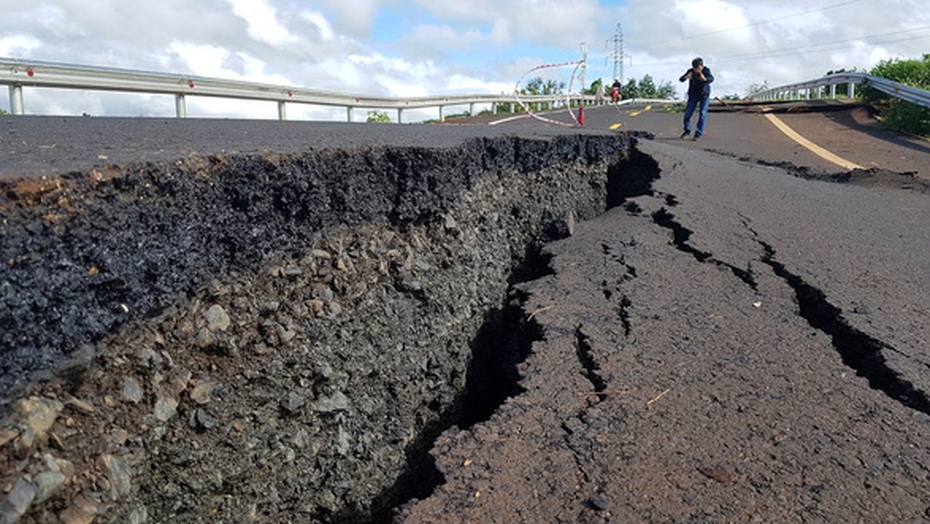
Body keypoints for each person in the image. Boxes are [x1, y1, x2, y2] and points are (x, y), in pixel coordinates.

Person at [679, 57, 714, 140]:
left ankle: (698, 133)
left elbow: (711, 79)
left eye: (698, 68)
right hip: (693, 94)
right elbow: (681, 79)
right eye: (695, 68)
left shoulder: (706, 70)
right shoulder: (690, 71)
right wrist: (686, 77)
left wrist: (704, 79)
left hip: (704, 95)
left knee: (702, 114)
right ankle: (687, 130)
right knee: (687, 114)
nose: (696, 70)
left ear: (701, 66)